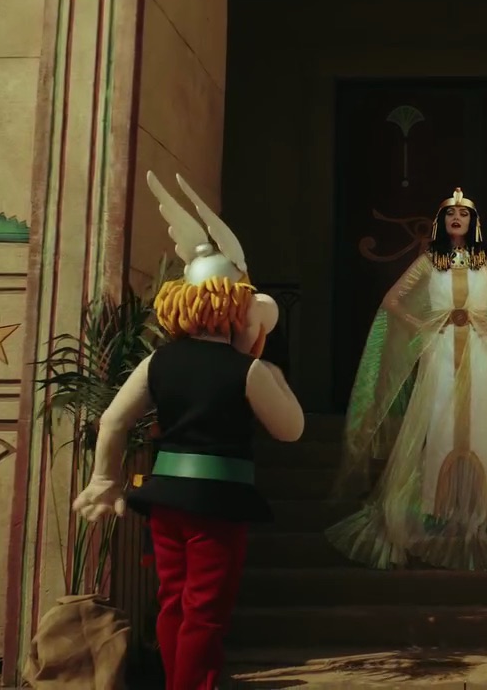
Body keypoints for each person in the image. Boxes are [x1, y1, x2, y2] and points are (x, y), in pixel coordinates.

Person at [70, 171, 304, 690]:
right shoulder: (250, 371)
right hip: (218, 502)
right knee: (204, 612)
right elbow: (290, 430)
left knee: (173, 601)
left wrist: (104, 479)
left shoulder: (157, 361)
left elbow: (113, 420)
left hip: (166, 499)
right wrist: (270, 368)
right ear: (236, 306)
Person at [327, 187, 487, 571]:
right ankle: (437, 507)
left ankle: (479, 508)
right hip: (441, 347)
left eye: (463, 214)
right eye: (450, 215)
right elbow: (392, 301)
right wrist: (424, 326)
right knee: (441, 422)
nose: (456, 219)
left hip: (480, 349)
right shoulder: (431, 260)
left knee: (478, 422)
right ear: (441, 222)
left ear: (473, 222)